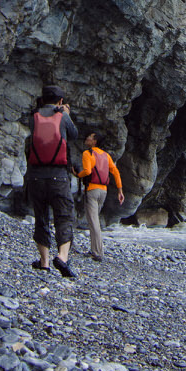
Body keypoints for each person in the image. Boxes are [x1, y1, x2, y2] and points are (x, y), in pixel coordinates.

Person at [24, 84, 79, 277]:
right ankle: (62, 257)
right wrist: (66, 113)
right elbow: (74, 134)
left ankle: (44, 262)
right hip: (59, 176)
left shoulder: (34, 116)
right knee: (63, 216)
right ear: (61, 101)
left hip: (36, 176)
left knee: (41, 217)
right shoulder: (62, 115)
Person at [75, 130, 124, 262]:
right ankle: (95, 250)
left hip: (92, 190)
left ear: (94, 141)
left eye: (90, 137)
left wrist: (77, 175)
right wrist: (120, 190)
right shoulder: (106, 156)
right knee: (94, 220)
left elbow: (87, 171)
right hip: (103, 191)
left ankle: (98, 253)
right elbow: (116, 172)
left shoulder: (88, 153)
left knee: (94, 222)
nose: (87, 137)